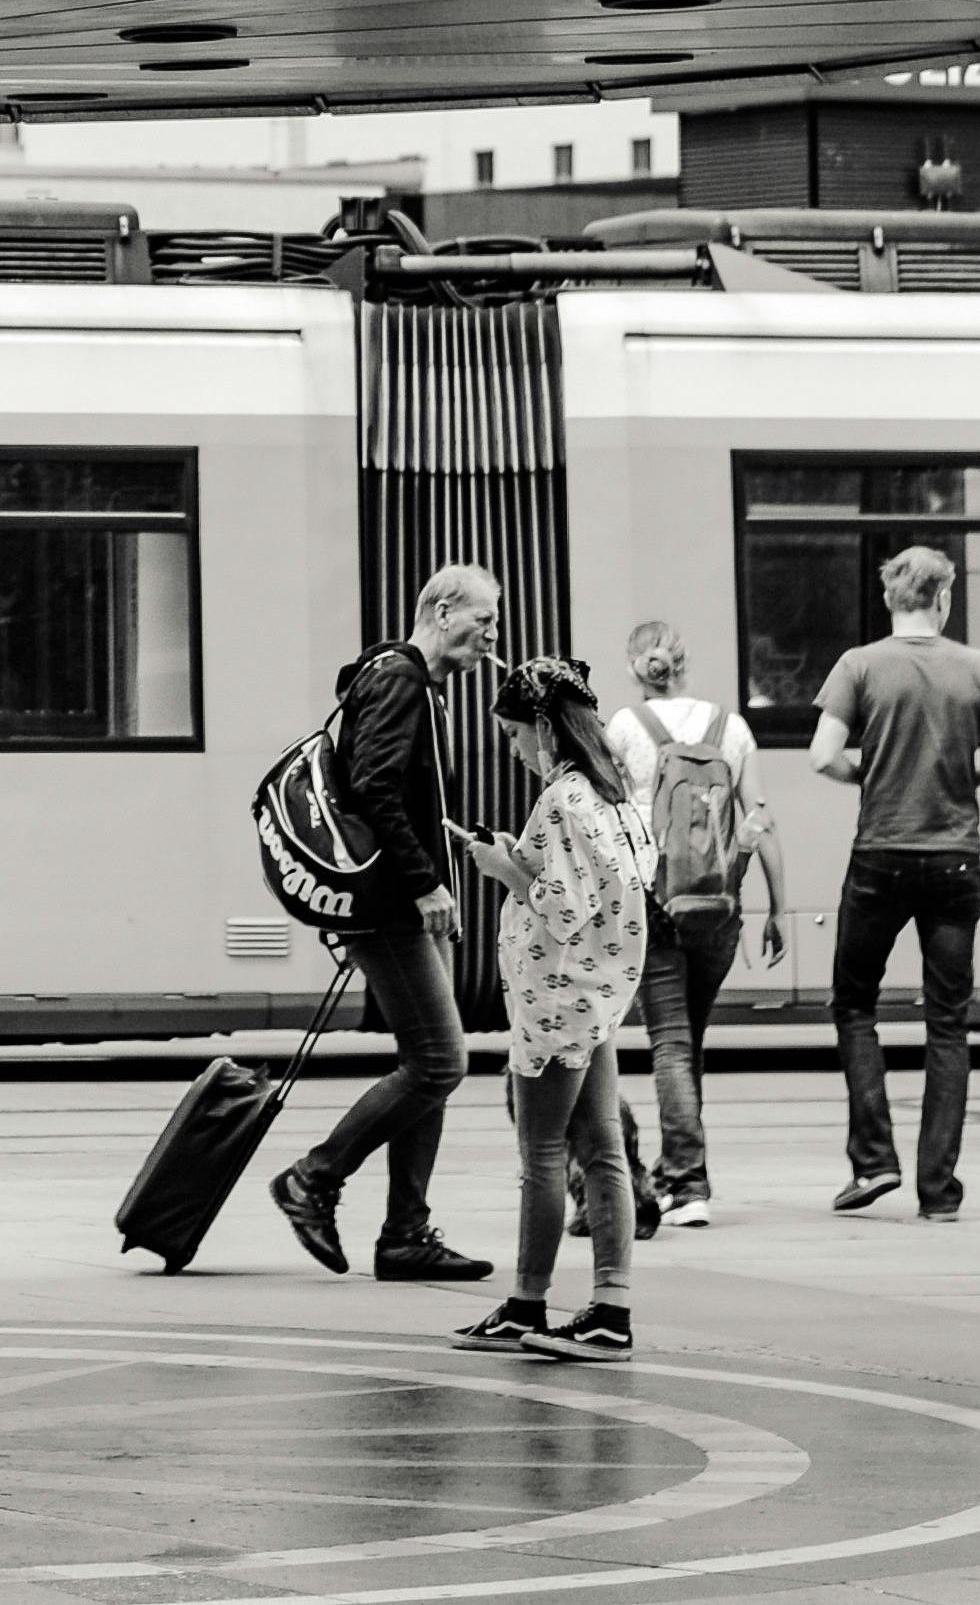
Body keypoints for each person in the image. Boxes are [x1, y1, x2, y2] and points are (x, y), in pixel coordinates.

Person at [270, 564, 503, 1286]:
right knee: (441, 1063)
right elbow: (374, 789)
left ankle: (405, 1234)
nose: (491, 638)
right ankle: (313, 1178)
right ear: (442, 610)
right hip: (393, 905)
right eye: (484, 621)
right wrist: (425, 882)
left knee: (428, 1065)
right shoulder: (400, 678)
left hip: (404, 902)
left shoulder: (407, 681)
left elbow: (393, 789)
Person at [807, 545, 980, 1219]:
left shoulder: (857, 665)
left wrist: (871, 775)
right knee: (948, 1024)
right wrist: (968, 774)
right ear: (944, 599)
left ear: (888, 599)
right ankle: (938, 1192)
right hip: (955, 860)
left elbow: (822, 756)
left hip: (879, 855)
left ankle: (874, 1160)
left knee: (854, 1005)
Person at [453, 659, 650, 1360]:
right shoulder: (612, 791)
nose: (513, 750)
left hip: (555, 998)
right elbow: (616, 884)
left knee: (540, 1154)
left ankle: (526, 1302)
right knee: (602, 1151)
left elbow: (562, 909)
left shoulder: (562, 799)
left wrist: (500, 867)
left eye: (513, 735)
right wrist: (523, 862)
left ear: (542, 725)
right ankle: (608, 1309)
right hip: (597, 996)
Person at [617, 617, 757, 1227]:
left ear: (636, 668)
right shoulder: (732, 727)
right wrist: (777, 908)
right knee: (689, 1042)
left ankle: (687, 1181)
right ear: (684, 663)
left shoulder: (626, 727)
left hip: (655, 900)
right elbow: (759, 817)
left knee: (670, 1045)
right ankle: (683, 1169)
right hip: (720, 905)